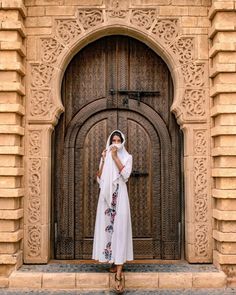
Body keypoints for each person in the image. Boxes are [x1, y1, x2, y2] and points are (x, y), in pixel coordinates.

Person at [92, 130, 133, 293]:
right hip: (106, 199)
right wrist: (103, 160)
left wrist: (115, 157)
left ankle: (119, 273)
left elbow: (126, 175)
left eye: (118, 140)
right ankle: (113, 261)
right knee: (108, 230)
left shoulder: (127, 157)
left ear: (122, 142)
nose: (115, 143)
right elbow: (99, 178)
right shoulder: (105, 156)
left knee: (120, 230)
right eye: (113, 140)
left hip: (120, 197)